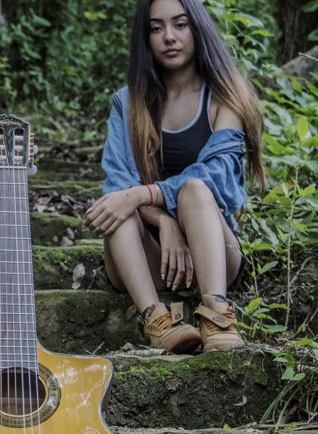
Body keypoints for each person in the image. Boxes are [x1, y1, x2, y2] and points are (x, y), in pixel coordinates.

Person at [86, 0, 265, 353]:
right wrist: (162, 221)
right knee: (118, 211)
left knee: (196, 188)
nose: (169, 37)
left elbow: (218, 178)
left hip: (211, 259)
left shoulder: (226, 97)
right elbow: (121, 188)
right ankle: (155, 319)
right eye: (156, 28)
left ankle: (216, 316)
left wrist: (145, 195)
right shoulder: (128, 103)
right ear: (145, 37)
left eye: (180, 24)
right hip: (147, 261)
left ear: (197, 28)